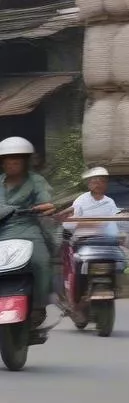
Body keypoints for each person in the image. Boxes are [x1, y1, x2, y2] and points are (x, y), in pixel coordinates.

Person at [0, 136, 56, 331]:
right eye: (7, 162)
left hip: (27, 228)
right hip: (2, 230)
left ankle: (39, 307)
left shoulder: (36, 181)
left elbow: (47, 201)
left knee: (41, 261)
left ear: (25, 163)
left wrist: (45, 207)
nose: (11, 165)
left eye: (16, 162)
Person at [67, 167, 121, 242]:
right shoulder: (81, 200)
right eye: (95, 182)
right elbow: (71, 223)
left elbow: (115, 222)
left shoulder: (109, 201)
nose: (98, 185)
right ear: (89, 184)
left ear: (106, 185)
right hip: (84, 240)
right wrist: (91, 224)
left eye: (102, 182)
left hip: (107, 240)